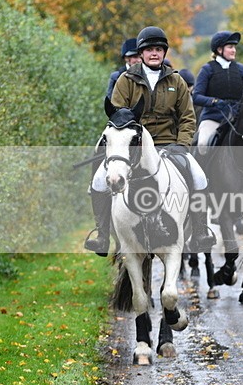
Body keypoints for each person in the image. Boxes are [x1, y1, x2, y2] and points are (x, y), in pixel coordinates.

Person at [84, 25, 217, 255]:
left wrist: (182, 144)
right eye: (149, 50)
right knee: (98, 180)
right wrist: (127, 145)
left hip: (169, 144)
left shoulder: (177, 80)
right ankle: (102, 234)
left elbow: (187, 117)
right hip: (133, 147)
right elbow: (118, 115)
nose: (154, 53)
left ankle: (200, 232)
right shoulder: (126, 80)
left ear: (164, 53)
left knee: (199, 177)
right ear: (142, 54)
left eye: (158, 49)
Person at [191, 31, 243, 155]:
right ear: (219, 50)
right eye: (230, 47)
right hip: (213, 118)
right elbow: (196, 96)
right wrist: (214, 102)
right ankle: (202, 174)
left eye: (234, 47)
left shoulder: (240, 69)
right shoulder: (207, 69)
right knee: (203, 144)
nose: (234, 50)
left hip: (236, 118)